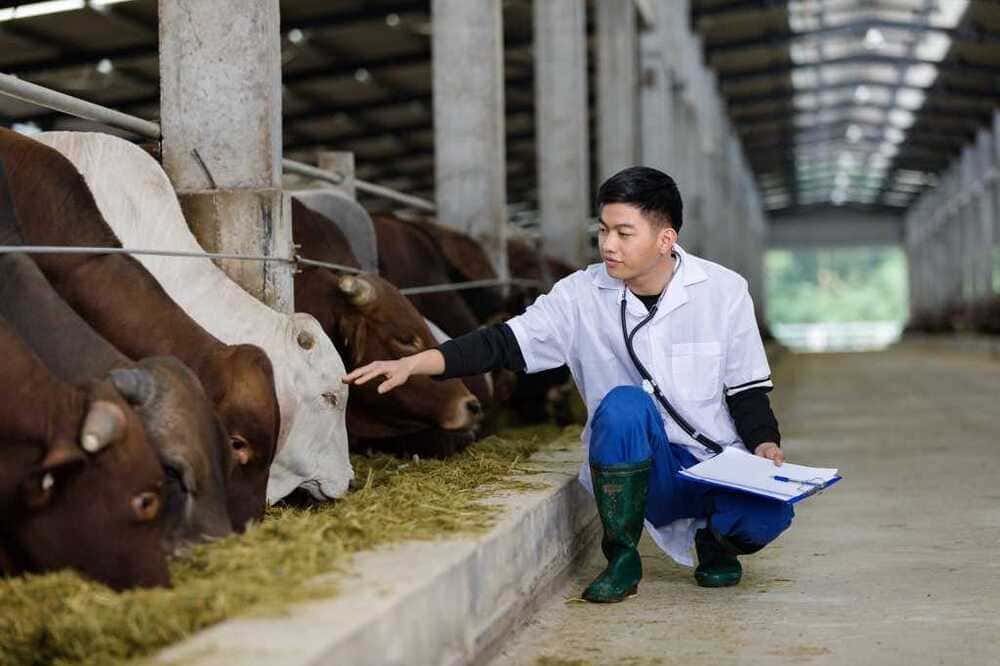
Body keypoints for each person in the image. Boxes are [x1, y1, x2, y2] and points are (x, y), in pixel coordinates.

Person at [344, 166, 793, 603]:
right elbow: (504, 343)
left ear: (665, 239)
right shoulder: (580, 294)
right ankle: (621, 559)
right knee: (622, 404)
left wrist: (765, 444)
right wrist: (417, 363)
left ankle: (715, 544)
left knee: (771, 513)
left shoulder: (723, 290)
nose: (607, 245)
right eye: (602, 231)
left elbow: (747, 389)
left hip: (714, 460)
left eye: (623, 232)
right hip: (641, 464)